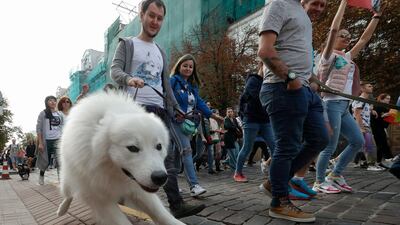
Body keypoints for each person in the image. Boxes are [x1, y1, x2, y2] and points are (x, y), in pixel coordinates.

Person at [110, 0, 205, 218]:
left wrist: (176, 109)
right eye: (151, 15)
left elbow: (166, 86)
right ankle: (119, 204)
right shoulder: (127, 44)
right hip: (135, 110)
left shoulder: (161, 51)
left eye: (159, 18)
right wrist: (129, 78)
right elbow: (114, 71)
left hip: (160, 112)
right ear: (141, 14)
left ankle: (176, 204)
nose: (155, 21)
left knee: (167, 157)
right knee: (132, 159)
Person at [258, 0, 329, 222]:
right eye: (316, 2)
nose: (320, 7)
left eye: (323, 4)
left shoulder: (302, 14)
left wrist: (312, 78)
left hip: (306, 89)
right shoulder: (278, 4)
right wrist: (291, 78)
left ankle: (275, 182)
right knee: (287, 146)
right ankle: (279, 202)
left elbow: (295, 54)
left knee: (320, 138)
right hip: (282, 87)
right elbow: (265, 50)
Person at [315, 0, 384, 194]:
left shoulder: (347, 56)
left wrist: (376, 17)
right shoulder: (326, 57)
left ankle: (335, 175)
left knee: (357, 141)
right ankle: (319, 181)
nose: (347, 37)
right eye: (342, 36)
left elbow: (364, 39)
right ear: (333, 39)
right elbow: (334, 29)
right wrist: (344, 2)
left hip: (344, 106)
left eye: (348, 36)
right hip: (330, 103)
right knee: (330, 146)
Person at [169, 54, 223, 197]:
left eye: (191, 66)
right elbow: (166, 98)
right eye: (185, 65)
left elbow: (199, 103)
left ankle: (171, 185)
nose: (188, 68)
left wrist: (214, 115)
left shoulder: (193, 86)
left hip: (188, 124)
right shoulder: (173, 81)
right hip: (175, 122)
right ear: (179, 66)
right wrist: (174, 111)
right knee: (186, 150)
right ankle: (194, 185)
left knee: (175, 154)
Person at [234, 62, 275, 183]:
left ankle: (274, 173)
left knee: (275, 147)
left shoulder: (269, 82)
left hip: (265, 120)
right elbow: (255, 98)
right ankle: (238, 173)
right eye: (267, 66)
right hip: (251, 119)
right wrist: (243, 116)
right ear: (261, 65)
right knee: (247, 147)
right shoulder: (253, 80)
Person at [352, 81, 385, 171]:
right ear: (362, 88)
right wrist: (361, 127)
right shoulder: (360, 99)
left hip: (365, 126)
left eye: (371, 86)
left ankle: (370, 164)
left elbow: (365, 108)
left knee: (362, 146)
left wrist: (371, 110)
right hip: (363, 126)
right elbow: (357, 114)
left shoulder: (365, 101)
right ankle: (371, 165)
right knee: (370, 145)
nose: (372, 87)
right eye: (369, 86)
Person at [36, 95, 64, 185]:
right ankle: (41, 175)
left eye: (54, 100)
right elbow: (39, 129)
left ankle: (62, 181)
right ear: (47, 103)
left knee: (60, 161)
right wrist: (40, 143)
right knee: (45, 162)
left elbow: (63, 126)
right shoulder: (43, 113)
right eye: (50, 100)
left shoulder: (59, 114)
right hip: (46, 141)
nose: (52, 102)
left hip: (58, 140)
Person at [371, 93, 393, 166]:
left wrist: (387, 116)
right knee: (382, 145)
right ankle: (384, 161)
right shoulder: (379, 107)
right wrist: (387, 116)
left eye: (389, 99)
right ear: (381, 99)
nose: (388, 100)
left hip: (379, 128)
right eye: (387, 98)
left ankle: (379, 162)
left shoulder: (382, 107)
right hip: (376, 129)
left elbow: (384, 124)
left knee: (381, 145)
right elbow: (379, 121)